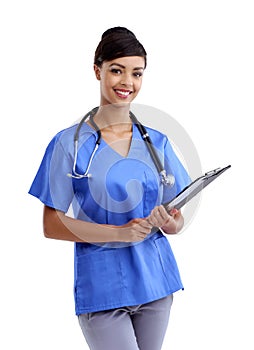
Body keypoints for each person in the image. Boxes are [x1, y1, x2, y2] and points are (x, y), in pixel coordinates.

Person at [28, 27, 191, 350]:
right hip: (103, 286)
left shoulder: (156, 142)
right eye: (117, 70)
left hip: (155, 281)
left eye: (137, 73)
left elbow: (177, 219)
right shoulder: (67, 144)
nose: (127, 82)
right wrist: (120, 233)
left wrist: (170, 221)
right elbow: (51, 224)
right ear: (97, 70)